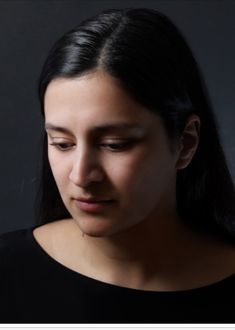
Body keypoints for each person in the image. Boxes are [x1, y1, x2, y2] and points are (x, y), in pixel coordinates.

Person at [0, 7, 235, 323]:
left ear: (186, 142)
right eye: (61, 143)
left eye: (115, 144)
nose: (81, 175)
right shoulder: (9, 271)